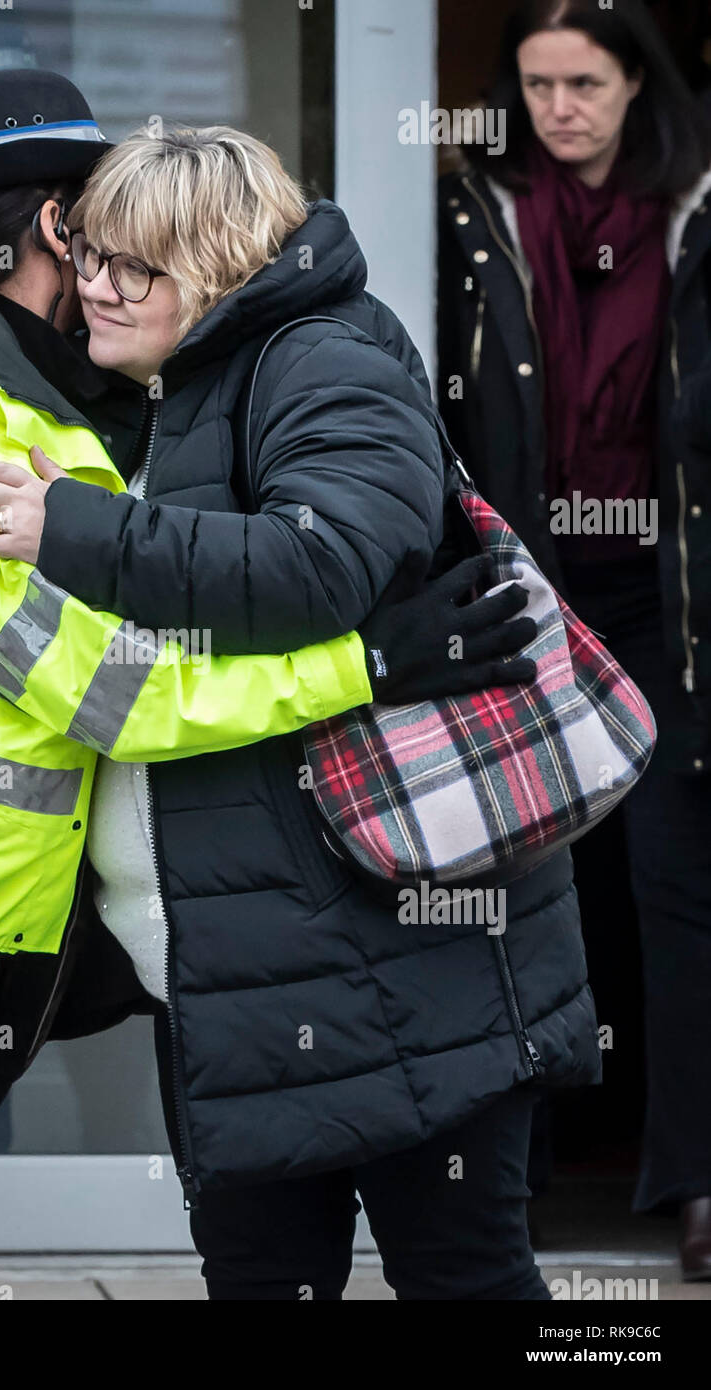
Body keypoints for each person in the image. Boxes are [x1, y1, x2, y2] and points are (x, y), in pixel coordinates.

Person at [0, 71, 534, 1302]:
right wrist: (368, 663)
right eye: (97, 235)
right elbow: (118, 695)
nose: (104, 278)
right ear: (45, 232)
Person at [437, 0, 711, 1277]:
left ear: (635, 85)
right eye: (539, 84)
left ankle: (697, 1181)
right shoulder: (473, 210)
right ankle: (510, 1183)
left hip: (669, 590)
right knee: (522, 883)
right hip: (530, 587)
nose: (560, 109)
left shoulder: (694, 207)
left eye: (586, 83)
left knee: (674, 881)